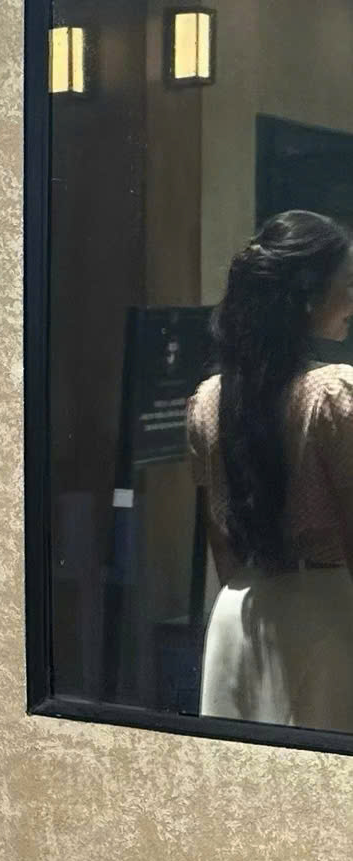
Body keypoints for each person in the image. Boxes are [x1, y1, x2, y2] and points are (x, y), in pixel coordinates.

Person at [186, 208, 353, 728]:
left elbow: (221, 540)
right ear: (308, 297)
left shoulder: (209, 399)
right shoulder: (332, 395)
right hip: (325, 620)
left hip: (239, 614)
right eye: (348, 282)